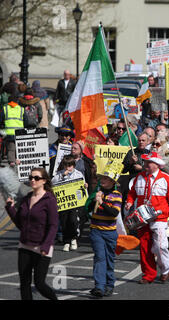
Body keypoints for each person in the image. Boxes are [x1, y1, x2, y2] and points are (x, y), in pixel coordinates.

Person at [125, 152, 169, 284]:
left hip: (159, 217)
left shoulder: (165, 178)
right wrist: (130, 201)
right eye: (144, 162)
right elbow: (132, 193)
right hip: (142, 218)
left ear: (157, 164)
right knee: (144, 247)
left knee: (160, 246)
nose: (145, 165)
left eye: (149, 163)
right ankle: (148, 275)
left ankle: (165, 270)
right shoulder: (139, 177)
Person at [5, 168, 58, 300]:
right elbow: (20, 224)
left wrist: (46, 246)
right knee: (24, 283)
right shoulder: (27, 198)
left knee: (39, 284)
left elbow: (53, 225)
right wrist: (10, 208)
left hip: (41, 247)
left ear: (44, 181)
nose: (32, 180)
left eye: (36, 178)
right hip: (24, 245)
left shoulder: (49, 199)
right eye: (31, 178)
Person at [86, 162, 123, 298]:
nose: (102, 181)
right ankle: (99, 286)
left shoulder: (117, 195)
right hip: (96, 231)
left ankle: (109, 284)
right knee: (100, 258)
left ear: (113, 181)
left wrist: (102, 203)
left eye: (106, 179)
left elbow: (114, 213)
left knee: (109, 258)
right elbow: (88, 209)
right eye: (102, 178)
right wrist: (93, 200)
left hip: (110, 232)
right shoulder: (98, 192)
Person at [51, 155, 86, 252]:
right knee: (64, 222)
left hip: (75, 203)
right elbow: (52, 183)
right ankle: (66, 241)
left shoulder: (78, 174)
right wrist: (62, 176)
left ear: (73, 165)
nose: (68, 168)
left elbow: (82, 184)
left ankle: (74, 239)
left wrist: (85, 185)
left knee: (73, 220)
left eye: (70, 166)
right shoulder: (59, 174)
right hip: (64, 204)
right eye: (66, 166)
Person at [0, 95, 24, 166]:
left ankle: (12, 161)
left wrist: (2, 125)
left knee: (11, 147)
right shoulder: (21, 109)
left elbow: (1, 119)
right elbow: (26, 120)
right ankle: (18, 159)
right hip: (19, 132)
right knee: (19, 147)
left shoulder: (5, 108)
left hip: (9, 132)